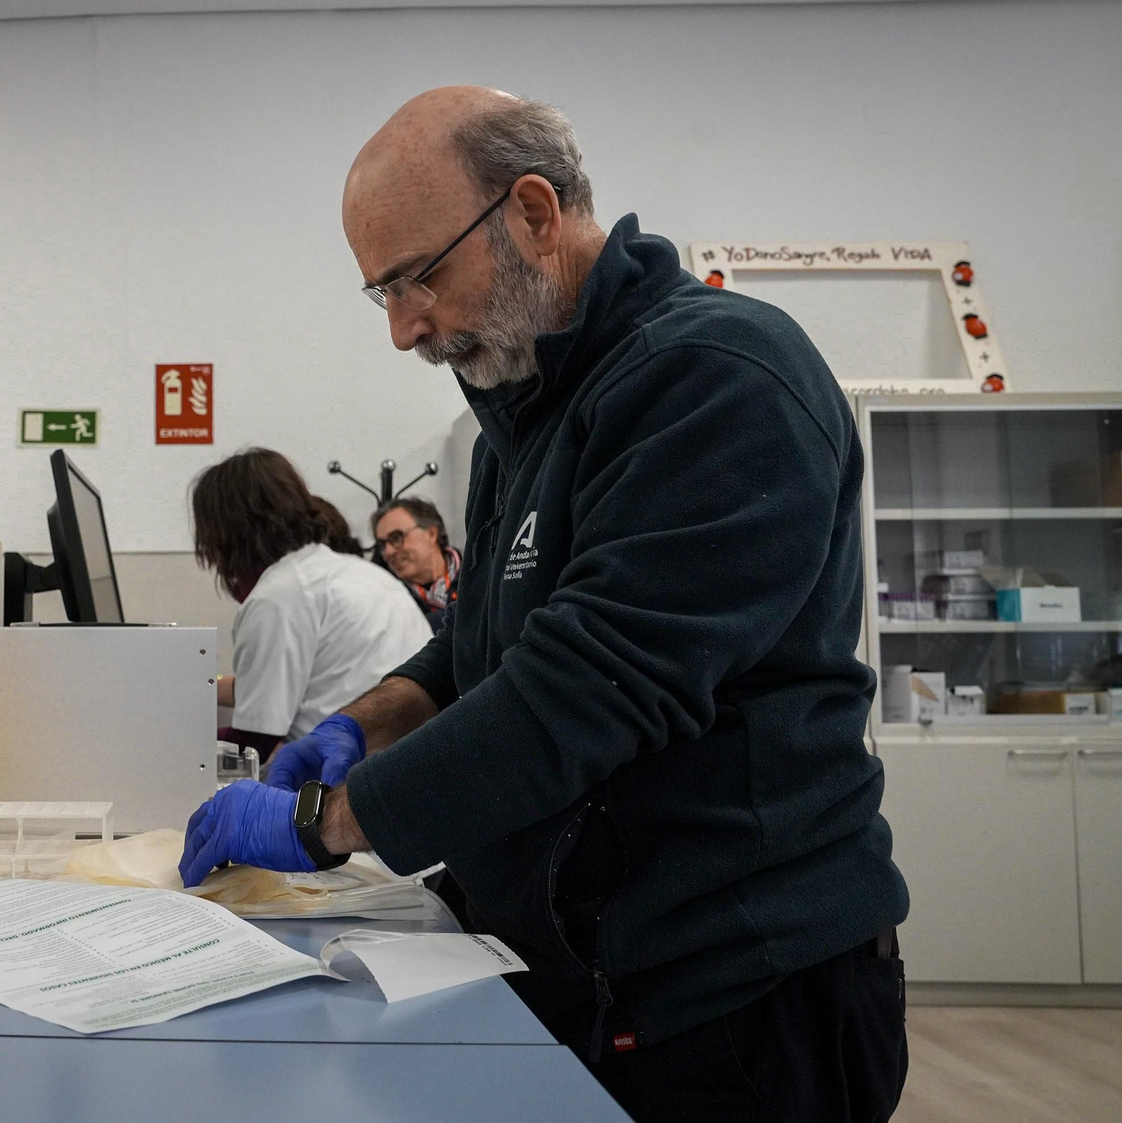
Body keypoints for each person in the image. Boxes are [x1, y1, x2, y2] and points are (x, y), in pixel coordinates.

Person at [177, 88, 908, 1123]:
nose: (401, 329)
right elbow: (479, 646)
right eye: (379, 293)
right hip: (585, 974)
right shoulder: (519, 414)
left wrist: (325, 821)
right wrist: (359, 722)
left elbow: (589, 687)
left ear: (530, 211)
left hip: (734, 996)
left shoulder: (713, 377)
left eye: (416, 277)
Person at [193, 449, 430, 757]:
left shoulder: (278, 596)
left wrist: (172, 739)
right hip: (414, 767)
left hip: (349, 781)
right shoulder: (362, 574)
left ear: (226, 532)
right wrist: (197, 682)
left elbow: (254, 742)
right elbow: (268, 686)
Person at [370, 495, 460, 625]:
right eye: (382, 544)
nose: (388, 552)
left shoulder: (482, 571)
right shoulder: (384, 599)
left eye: (396, 537)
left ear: (431, 533)